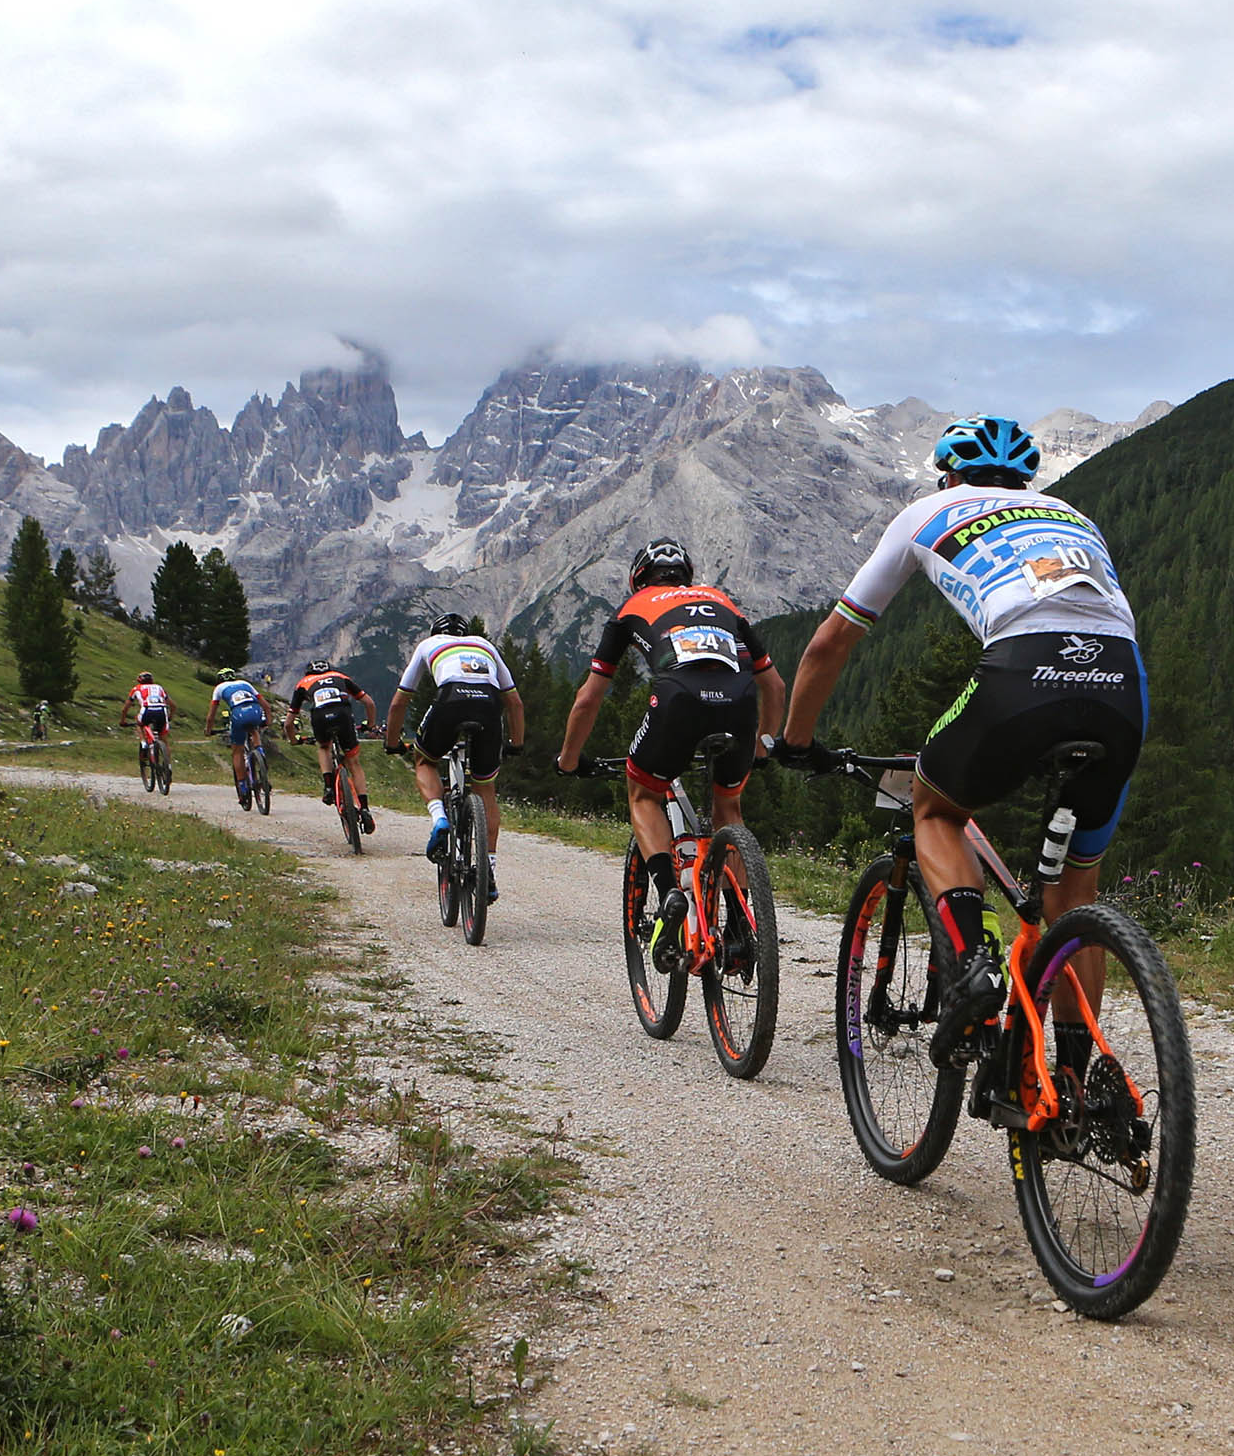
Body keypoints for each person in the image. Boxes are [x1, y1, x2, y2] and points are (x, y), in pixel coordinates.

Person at [775, 416, 1147, 1068]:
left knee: (937, 808)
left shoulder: (927, 510)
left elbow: (831, 641)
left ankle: (972, 968)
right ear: (1024, 479)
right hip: (1122, 683)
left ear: (948, 474)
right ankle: (1075, 1082)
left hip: (1024, 673)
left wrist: (796, 738)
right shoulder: (1068, 513)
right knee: (1072, 895)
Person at [556, 541, 784, 958]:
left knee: (643, 792)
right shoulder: (723, 602)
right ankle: (737, 925)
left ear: (638, 578)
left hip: (678, 697)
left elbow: (588, 699)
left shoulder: (631, 609)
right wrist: (764, 746)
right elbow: (775, 685)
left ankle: (669, 895)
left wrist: (569, 759)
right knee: (728, 807)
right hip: (739, 701)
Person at [381, 616, 526, 885]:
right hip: (489, 707)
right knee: (486, 789)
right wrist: (516, 744)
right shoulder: (484, 644)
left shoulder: (429, 644)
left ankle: (439, 818)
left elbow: (399, 702)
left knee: (424, 760)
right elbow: (515, 702)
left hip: (450, 699)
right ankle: (489, 870)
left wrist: (392, 742)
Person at [288, 657, 381, 833]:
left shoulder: (303, 683)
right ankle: (365, 808)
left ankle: (329, 786)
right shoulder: (340, 676)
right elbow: (369, 702)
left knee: (324, 747)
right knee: (354, 763)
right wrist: (370, 725)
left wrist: (293, 740)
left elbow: (288, 723)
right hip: (344, 715)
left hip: (320, 717)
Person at [207, 668, 270, 809]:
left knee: (237, 751)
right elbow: (266, 705)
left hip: (238, 714)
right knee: (254, 729)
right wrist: (268, 721)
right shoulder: (246, 683)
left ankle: (242, 787)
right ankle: (261, 753)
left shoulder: (219, 688)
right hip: (255, 711)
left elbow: (211, 715)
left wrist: (208, 730)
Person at [125, 671, 173, 769]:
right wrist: (170, 716)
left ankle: (143, 743)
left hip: (147, 710)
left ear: (139, 681)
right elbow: (173, 706)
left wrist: (122, 720)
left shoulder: (136, 689)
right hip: (162, 711)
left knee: (139, 723)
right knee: (164, 740)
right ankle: (168, 766)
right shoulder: (159, 688)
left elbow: (125, 708)